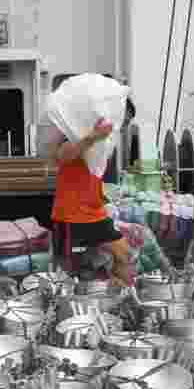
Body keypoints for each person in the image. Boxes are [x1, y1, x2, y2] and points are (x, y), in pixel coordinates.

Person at [47, 118, 131, 284]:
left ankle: (123, 299)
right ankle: (72, 303)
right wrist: (94, 136)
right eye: (122, 117)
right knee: (74, 272)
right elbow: (62, 156)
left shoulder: (105, 142)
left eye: (126, 121)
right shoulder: (74, 131)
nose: (121, 124)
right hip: (72, 215)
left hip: (96, 213)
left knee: (122, 254)